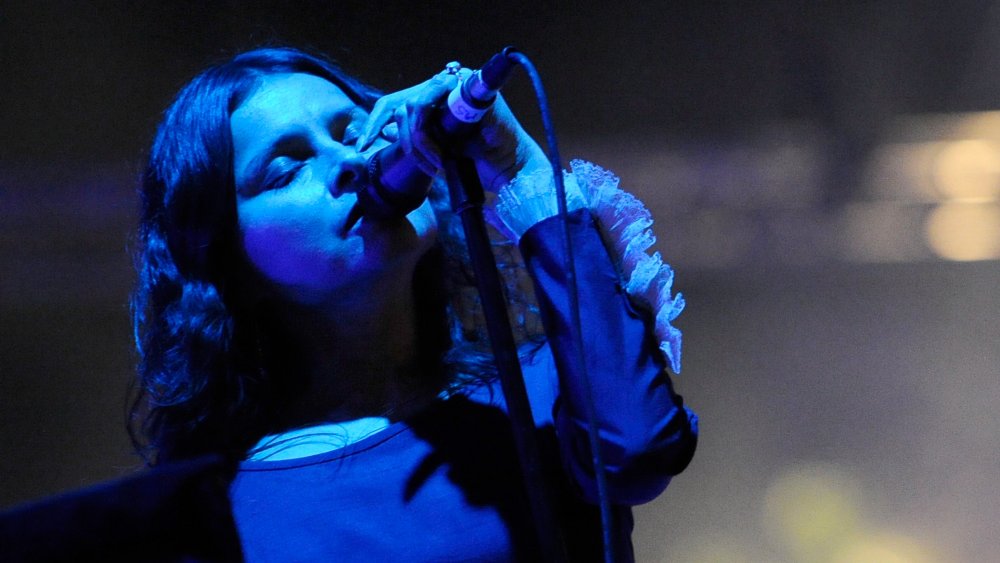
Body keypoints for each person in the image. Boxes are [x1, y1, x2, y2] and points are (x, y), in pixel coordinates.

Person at [130, 46, 698, 562]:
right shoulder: (219, 517)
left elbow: (637, 453)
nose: (349, 162)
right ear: (228, 262)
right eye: (288, 169)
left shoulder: (545, 392)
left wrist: (519, 166)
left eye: (354, 131)